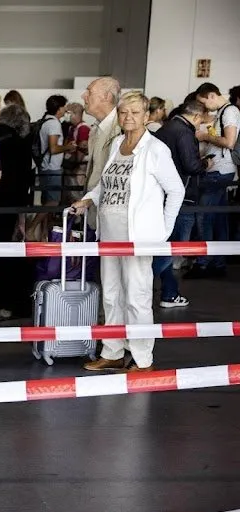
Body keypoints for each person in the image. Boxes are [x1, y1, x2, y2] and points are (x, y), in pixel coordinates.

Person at [71, 92, 184, 373]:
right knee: (110, 294)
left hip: (138, 237)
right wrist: (89, 199)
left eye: (135, 112)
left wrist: (162, 232)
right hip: (109, 234)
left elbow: (176, 190)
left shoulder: (157, 150)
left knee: (137, 296)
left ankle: (142, 357)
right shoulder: (117, 143)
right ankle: (112, 351)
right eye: (123, 112)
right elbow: (106, 184)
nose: (128, 117)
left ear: (147, 116)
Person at [154, 98, 206, 309]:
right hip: (181, 196)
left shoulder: (166, 128)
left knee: (164, 247)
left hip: (162, 195)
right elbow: (191, 165)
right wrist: (206, 162)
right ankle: (146, 285)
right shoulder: (184, 132)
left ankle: (169, 291)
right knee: (173, 247)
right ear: (196, 116)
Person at [0, 103, 35, 321]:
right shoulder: (20, 144)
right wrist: (22, 220)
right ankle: (4, 305)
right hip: (9, 207)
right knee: (5, 257)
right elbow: (23, 184)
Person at [188, 82, 238, 279]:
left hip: (219, 170)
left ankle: (203, 262)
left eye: (203, 103)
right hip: (221, 169)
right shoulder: (224, 112)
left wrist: (204, 136)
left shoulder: (229, 112)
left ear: (211, 96)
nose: (204, 108)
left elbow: (229, 142)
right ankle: (218, 262)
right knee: (218, 219)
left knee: (204, 216)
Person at [82, 76, 122, 193]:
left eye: (89, 92)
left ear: (107, 96)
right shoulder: (96, 128)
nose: (83, 96)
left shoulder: (122, 130)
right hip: (92, 203)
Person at [37, 95, 75, 206]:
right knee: (53, 201)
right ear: (59, 109)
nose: (66, 110)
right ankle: (33, 224)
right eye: (64, 107)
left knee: (46, 200)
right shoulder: (54, 123)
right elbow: (53, 148)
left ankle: (44, 224)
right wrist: (68, 147)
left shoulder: (45, 120)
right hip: (52, 167)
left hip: (44, 166)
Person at [61, 102, 91, 203]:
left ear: (76, 114)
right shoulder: (71, 128)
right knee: (70, 194)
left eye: (68, 113)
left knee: (77, 195)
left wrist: (76, 166)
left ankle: (78, 218)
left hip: (77, 169)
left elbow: (82, 149)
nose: (66, 115)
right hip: (70, 166)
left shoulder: (83, 128)